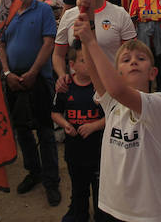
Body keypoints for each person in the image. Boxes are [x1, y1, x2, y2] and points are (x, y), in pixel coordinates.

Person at [74, 10, 161, 222]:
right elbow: (94, 72)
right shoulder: (111, 105)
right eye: (126, 60)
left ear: (153, 72)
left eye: (141, 58)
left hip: (148, 213)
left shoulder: (159, 103)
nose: (133, 62)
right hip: (111, 206)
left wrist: (91, 41)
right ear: (117, 73)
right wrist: (86, 32)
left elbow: (118, 90)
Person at [0, 0, 60, 205]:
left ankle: (51, 180)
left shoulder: (43, 11)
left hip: (39, 79)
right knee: (22, 131)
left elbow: (48, 43)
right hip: (13, 80)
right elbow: (0, 44)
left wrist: (33, 72)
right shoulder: (7, 11)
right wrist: (7, 73)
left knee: (45, 131)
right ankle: (34, 171)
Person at [54, 0, 137, 92]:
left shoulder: (120, 14)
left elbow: (131, 54)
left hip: (110, 86)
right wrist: (61, 75)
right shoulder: (69, 16)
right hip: (79, 88)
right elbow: (58, 54)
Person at [50, 41, 106, 222]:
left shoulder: (100, 88)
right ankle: (79, 213)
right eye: (84, 61)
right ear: (72, 65)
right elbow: (55, 113)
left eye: (91, 60)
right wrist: (65, 124)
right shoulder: (66, 88)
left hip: (98, 151)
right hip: (74, 152)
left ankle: (101, 215)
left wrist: (94, 125)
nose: (89, 65)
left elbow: (112, 116)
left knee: (100, 190)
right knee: (79, 187)